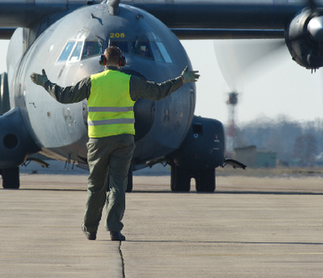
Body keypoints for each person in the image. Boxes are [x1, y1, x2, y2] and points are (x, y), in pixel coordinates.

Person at [30, 46, 199, 241]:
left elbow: (64, 96)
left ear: (102, 61)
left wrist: (45, 83)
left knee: (96, 185)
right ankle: (114, 230)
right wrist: (182, 79)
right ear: (122, 62)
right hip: (123, 140)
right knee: (118, 185)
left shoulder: (92, 82)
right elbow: (158, 92)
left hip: (98, 141)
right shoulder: (130, 82)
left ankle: (90, 229)